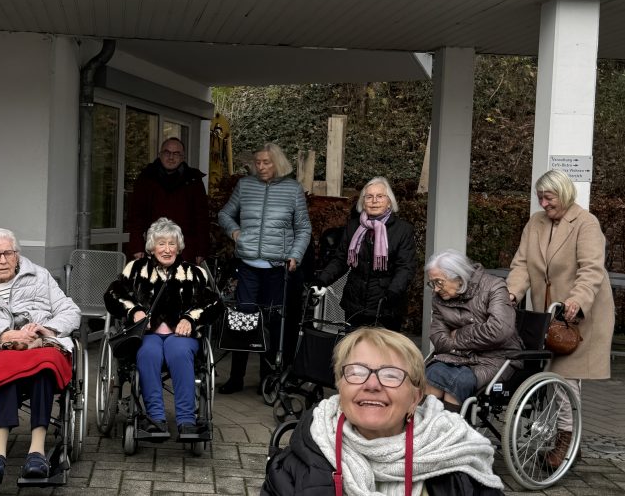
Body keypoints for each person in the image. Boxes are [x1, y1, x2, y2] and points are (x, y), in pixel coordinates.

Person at [262, 327, 505, 495]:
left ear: (415, 397)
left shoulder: (459, 461)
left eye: (391, 375)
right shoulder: (293, 466)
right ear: (340, 387)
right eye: (357, 372)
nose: (372, 384)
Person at [0, 228, 81, 482]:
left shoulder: (41, 277)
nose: (3, 260)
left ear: (17, 255)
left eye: (8, 253)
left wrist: (49, 329)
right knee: (9, 362)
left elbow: (70, 311)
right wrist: (4, 337)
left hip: (40, 349)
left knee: (45, 365)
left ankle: (37, 452)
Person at [506, 168, 614, 468]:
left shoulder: (586, 223)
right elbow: (522, 264)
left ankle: (567, 442)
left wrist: (577, 299)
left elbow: (591, 269)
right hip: (547, 316)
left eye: (549, 197)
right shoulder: (536, 223)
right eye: (540, 197)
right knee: (551, 378)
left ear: (564, 194)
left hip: (579, 316)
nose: (544, 203)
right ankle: (561, 436)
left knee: (565, 377)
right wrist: (512, 294)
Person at [104, 218, 221, 438]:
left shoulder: (194, 273)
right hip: (147, 334)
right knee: (148, 353)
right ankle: (155, 419)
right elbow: (113, 295)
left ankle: (187, 421)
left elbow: (214, 303)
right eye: (161, 244)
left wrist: (191, 318)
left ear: (179, 247)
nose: (167, 250)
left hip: (181, 336)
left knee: (178, 352)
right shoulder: (136, 269)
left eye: (171, 244)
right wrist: (134, 312)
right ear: (151, 247)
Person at [217, 143, 312, 395]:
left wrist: (295, 255)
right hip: (248, 265)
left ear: (277, 163)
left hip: (277, 267)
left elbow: (303, 228)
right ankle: (236, 377)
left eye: (266, 162)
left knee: (272, 321)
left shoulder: (293, 189)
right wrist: (235, 232)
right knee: (244, 319)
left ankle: (267, 378)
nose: (260, 167)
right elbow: (225, 214)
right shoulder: (245, 186)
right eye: (257, 162)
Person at [314, 176, 417, 331]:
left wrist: (394, 292)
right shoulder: (353, 226)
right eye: (369, 197)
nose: (374, 200)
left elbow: (406, 266)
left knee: (383, 353)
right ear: (363, 202)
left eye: (380, 196)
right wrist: (321, 281)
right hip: (354, 302)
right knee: (353, 351)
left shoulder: (403, 230)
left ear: (389, 201)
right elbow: (341, 259)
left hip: (386, 304)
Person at [424, 249, 522, 411]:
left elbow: (499, 331)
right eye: (432, 283)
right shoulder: (439, 298)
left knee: (457, 381)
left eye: (438, 282)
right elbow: (438, 336)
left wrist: (458, 335)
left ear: (458, 277)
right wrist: (460, 342)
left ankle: (451, 432)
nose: (435, 289)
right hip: (456, 356)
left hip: (495, 357)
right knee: (431, 374)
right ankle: (427, 430)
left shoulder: (494, 286)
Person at [127, 137, 210, 264]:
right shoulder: (146, 179)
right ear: (160, 155)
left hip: (185, 249)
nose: (171, 157)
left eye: (176, 154)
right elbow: (136, 216)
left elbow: (201, 218)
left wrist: (201, 250)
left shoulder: (193, 181)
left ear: (183, 157)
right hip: (151, 247)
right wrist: (137, 246)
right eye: (167, 152)